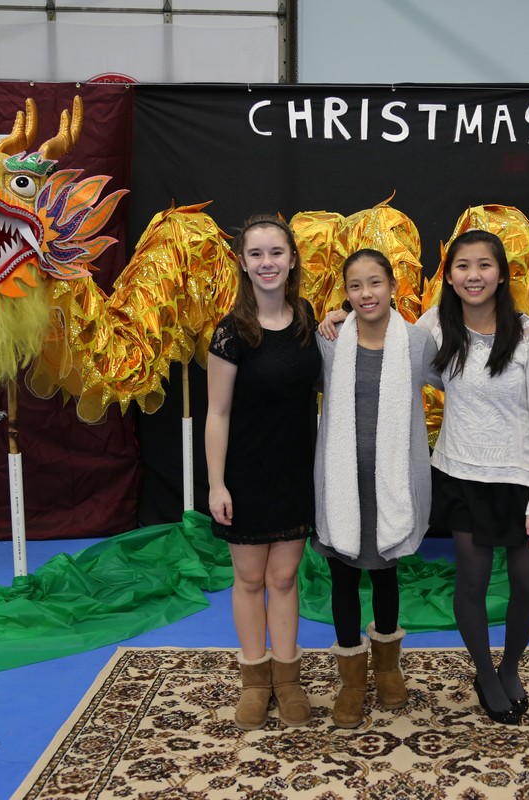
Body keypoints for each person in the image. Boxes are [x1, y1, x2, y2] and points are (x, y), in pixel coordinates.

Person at [417, 228, 529, 725]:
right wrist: (337, 318)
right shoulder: (435, 326)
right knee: (471, 582)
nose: (473, 275)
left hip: (519, 478)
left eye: (484, 265)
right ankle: (484, 673)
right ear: (449, 277)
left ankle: (510, 666)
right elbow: (393, 346)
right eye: (462, 266)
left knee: (526, 583)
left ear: (501, 275)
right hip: (459, 474)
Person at [313, 248, 440, 728]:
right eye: (355, 285)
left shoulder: (416, 342)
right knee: (343, 578)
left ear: (393, 286)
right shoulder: (330, 341)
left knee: (386, 575)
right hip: (340, 481)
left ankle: (387, 669)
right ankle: (351, 680)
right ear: (345, 294)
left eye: (375, 283)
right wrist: (328, 320)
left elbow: (457, 375)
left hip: (393, 481)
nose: (366, 293)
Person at [205, 214, 320, 731]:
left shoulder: (308, 320)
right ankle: (255, 680)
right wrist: (216, 483)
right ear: (243, 263)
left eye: (276, 252)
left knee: (284, 577)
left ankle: (288, 679)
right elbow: (217, 413)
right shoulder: (231, 333)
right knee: (250, 579)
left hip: (295, 470)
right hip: (246, 473)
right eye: (256, 254)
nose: (267, 262)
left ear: (292, 259)